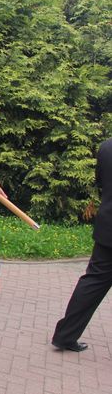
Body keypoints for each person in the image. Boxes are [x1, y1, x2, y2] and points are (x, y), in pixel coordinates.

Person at [51, 138, 112, 352]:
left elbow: (101, 182)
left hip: (108, 226)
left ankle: (65, 335)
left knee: (93, 281)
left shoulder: (107, 146)